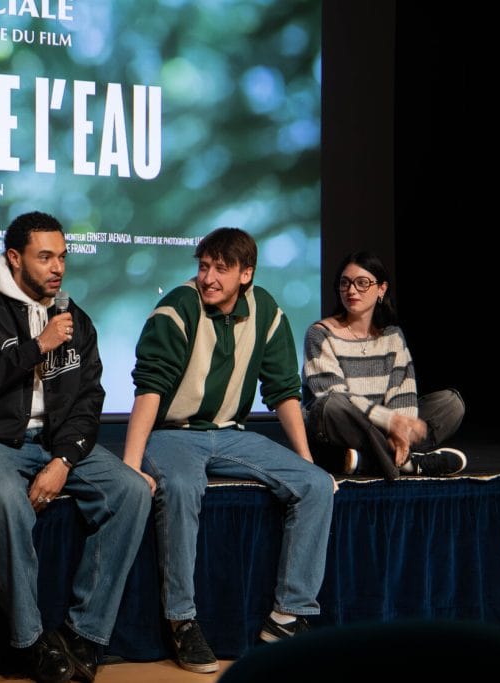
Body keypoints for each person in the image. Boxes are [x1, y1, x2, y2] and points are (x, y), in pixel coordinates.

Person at [0, 211, 151, 683]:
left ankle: (84, 635)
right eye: (45, 257)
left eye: (62, 257)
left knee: (132, 492)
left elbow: (89, 398)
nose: (58, 267)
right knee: (9, 502)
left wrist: (63, 459)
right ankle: (29, 641)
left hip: (55, 443)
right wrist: (37, 346)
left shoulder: (75, 317)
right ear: (14, 258)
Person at [121, 227, 335, 674]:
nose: (208, 278)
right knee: (181, 486)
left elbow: (282, 392)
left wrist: (306, 459)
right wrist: (130, 465)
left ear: (245, 274)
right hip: (173, 434)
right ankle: (182, 620)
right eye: (203, 267)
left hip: (231, 434)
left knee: (315, 484)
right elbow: (150, 389)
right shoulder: (177, 307)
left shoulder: (267, 310)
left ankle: (288, 616)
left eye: (221, 269)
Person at [302, 251, 466, 479]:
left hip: (383, 427)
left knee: (450, 404)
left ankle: (369, 460)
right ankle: (409, 464)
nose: (351, 290)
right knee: (330, 405)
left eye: (362, 283)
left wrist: (401, 428)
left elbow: (403, 393)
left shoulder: (392, 336)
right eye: (345, 283)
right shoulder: (320, 333)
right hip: (343, 426)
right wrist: (391, 421)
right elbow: (333, 393)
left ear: (381, 289)